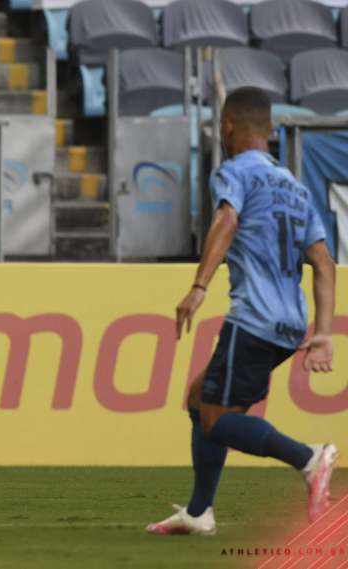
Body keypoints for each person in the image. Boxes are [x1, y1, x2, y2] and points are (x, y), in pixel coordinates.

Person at [146, 87, 338, 535]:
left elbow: (227, 220)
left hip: (254, 317)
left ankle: (309, 458)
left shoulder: (234, 172)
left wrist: (198, 286)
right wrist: (324, 332)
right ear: (270, 131)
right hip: (291, 325)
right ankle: (198, 513)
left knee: (215, 418)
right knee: (200, 399)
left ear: (227, 125)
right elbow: (324, 262)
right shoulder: (295, 186)